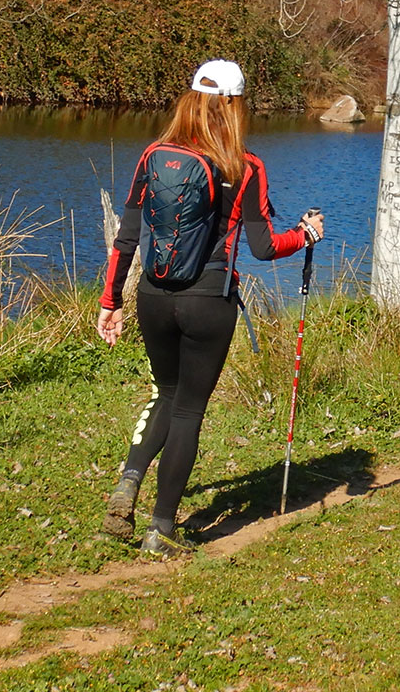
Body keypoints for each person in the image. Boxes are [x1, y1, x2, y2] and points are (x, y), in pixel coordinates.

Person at [96, 58, 325, 555]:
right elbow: (265, 247)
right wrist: (305, 234)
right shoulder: (246, 165)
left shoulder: (153, 155)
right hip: (209, 299)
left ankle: (128, 484)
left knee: (165, 390)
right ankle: (161, 530)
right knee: (189, 410)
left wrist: (110, 301)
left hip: (152, 297)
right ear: (236, 106)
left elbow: (127, 236)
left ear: (191, 99)